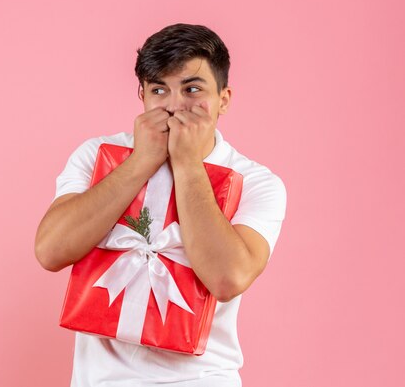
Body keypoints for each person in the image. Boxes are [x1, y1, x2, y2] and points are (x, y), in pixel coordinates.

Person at [34, 23, 287, 387]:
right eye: (158, 90)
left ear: (224, 99)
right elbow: (50, 251)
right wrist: (141, 162)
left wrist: (187, 163)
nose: (174, 105)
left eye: (192, 89)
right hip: (100, 380)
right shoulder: (97, 156)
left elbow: (228, 278)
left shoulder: (258, 182)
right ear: (142, 95)